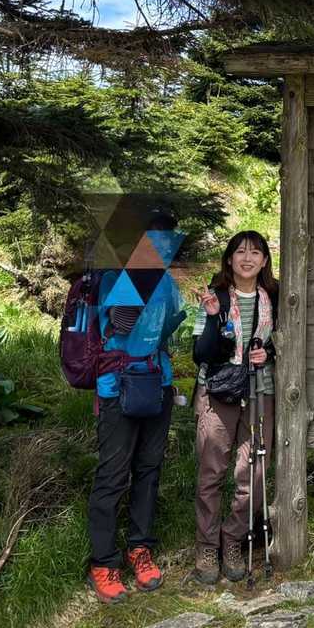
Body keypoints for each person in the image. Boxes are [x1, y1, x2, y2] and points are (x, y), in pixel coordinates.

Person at [86, 208, 188, 604]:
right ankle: (103, 562)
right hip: (117, 388)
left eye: (165, 239)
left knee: (148, 469)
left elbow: (170, 329)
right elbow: (123, 323)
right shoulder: (115, 277)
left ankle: (139, 548)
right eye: (153, 238)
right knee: (113, 475)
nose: (160, 246)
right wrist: (143, 270)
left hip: (156, 384)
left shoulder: (165, 281)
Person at [191, 230, 280, 583]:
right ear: (229, 258)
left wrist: (268, 352)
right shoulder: (213, 296)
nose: (247, 258)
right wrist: (214, 318)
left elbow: (284, 340)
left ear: (264, 260)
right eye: (240, 252)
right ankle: (206, 545)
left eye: (255, 252)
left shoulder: (274, 297)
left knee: (253, 471)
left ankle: (233, 540)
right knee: (211, 471)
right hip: (218, 391)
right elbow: (201, 353)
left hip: (261, 390)